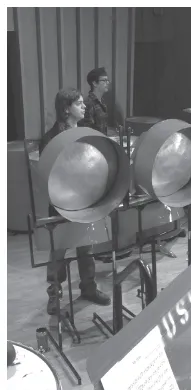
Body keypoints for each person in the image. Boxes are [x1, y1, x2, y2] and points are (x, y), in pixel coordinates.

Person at [41, 88, 111, 315]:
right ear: (65, 109)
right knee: (59, 250)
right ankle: (54, 293)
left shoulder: (87, 133)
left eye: (83, 103)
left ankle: (88, 287)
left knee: (86, 244)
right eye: (79, 103)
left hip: (85, 198)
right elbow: (49, 174)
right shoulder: (50, 139)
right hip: (62, 200)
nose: (84, 107)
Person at [79, 67, 110, 135]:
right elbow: (87, 131)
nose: (107, 83)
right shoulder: (88, 103)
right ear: (95, 83)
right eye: (104, 80)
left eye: (108, 80)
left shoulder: (102, 102)